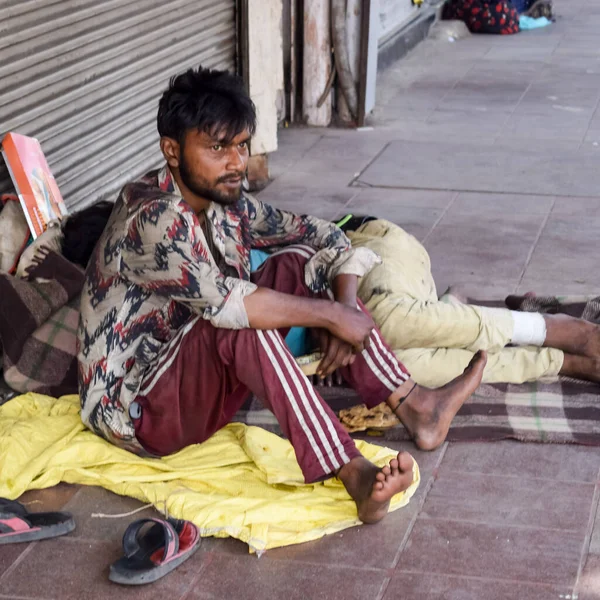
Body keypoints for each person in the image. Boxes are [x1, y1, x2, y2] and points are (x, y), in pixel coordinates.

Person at [77, 66, 487, 525]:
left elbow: (327, 235)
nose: (236, 162)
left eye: (241, 144)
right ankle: (351, 472)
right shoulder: (152, 218)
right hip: (137, 410)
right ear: (171, 151)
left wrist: (344, 308)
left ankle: (417, 406)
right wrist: (331, 317)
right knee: (239, 325)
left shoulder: (225, 199)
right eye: (217, 147)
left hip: (190, 380)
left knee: (298, 264)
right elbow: (232, 306)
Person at [344, 218, 600, 388]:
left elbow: (325, 241)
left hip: (365, 248)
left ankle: (553, 328)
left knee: (383, 321)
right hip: (337, 335)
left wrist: (338, 312)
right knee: (390, 368)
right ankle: (561, 361)